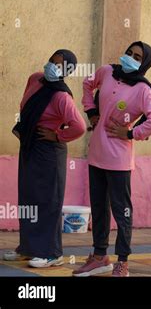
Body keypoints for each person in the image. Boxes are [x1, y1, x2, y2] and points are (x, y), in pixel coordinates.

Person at [73, 41, 151, 277]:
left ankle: (122, 261)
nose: (130, 58)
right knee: (99, 207)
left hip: (119, 160)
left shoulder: (143, 89)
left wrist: (132, 133)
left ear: (144, 64)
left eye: (137, 57)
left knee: (122, 210)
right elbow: (87, 83)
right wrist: (91, 111)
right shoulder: (107, 71)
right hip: (96, 154)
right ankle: (100, 255)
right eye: (129, 53)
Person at [3, 49, 86, 267]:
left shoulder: (61, 96)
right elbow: (26, 108)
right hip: (30, 145)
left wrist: (57, 134)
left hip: (49, 151)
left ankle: (51, 253)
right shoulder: (34, 79)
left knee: (48, 201)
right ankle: (28, 248)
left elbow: (78, 127)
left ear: (66, 70)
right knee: (28, 199)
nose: (52, 66)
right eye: (51, 61)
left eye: (59, 65)